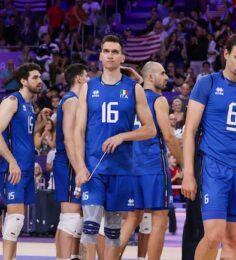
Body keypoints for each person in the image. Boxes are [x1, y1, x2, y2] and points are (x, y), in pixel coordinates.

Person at [181, 33, 236, 260]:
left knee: (233, 240)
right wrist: (188, 173)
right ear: (226, 54)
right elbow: (189, 130)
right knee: (212, 235)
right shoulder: (207, 83)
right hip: (213, 167)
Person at [74, 35, 156, 260]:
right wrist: (80, 166)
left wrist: (123, 136)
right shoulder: (89, 88)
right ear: (100, 56)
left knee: (112, 230)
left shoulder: (133, 88)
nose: (110, 55)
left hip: (121, 168)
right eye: (106, 51)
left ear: (122, 57)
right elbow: (78, 131)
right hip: (93, 168)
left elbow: (150, 129)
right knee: (89, 227)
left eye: (114, 51)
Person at [131, 61, 184, 260]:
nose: (166, 77)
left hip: (132, 165)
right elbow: (169, 137)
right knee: (160, 218)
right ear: (151, 77)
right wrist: (184, 164)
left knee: (132, 219)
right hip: (153, 165)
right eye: (162, 73)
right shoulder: (158, 100)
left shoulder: (132, 98)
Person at [0, 63, 44, 259]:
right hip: (13, 169)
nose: (40, 81)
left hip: (25, 168)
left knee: (17, 223)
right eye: (35, 77)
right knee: (15, 220)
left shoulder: (29, 106)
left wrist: (41, 123)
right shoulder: (12, 101)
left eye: (40, 77)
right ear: (23, 81)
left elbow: (24, 136)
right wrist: (12, 161)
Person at [53, 63, 89, 260]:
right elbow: (68, 139)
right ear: (79, 79)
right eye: (87, 76)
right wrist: (79, 169)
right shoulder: (72, 101)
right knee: (71, 220)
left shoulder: (72, 100)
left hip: (69, 162)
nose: (90, 80)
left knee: (68, 221)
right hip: (68, 163)